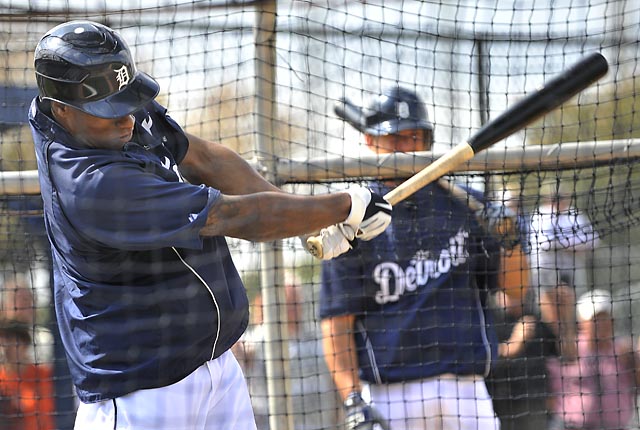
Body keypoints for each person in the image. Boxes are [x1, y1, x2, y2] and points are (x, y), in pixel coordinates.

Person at [28, 20, 392, 429]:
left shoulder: (111, 110)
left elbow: (205, 159)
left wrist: (305, 221)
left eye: (128, 100)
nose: (127, 118)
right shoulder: (92, 185)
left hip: (215, 366)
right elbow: (233, 217)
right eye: (108, 111)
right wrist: (344, 205)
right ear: (60, 108)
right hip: (141, 393)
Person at [320, 86, 502, 430]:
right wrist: (352, 400)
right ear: (371, 143)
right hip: (390, 393)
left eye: (413, 137)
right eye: (394, 139)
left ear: (427, 142)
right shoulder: (352, 220)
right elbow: (336, 323)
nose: (405, 147)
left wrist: (511, 240)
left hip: (465, 388)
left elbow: (516, 292)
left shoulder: (466, 207)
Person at [234, 283, 342, 429]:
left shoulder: (315, 336)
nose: (295, 306)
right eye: (290, 301)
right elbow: (241, 352)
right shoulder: (261, 338)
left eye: (297, 299)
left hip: (319, 424)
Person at [546, 288, 640, 430]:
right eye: (595, 319)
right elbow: (566, 345)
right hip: (573, 426)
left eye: (605, 318)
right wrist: (564, 314)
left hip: (616, 426)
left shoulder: (623, 351)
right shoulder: (573, 346)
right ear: (582, 322)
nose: (601, 324)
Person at [486, 288, 559, 430]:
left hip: (533, 405)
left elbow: (565, 355)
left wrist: (558, 315)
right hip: (498, 405)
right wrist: (513, 345)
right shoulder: (489, 319)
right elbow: (480, 356)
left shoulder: (534, 320)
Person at [528, 193, 599, 298]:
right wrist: (573, 245)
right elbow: (545, 244)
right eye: (554, 199)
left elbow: (594, 240)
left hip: (571, 269)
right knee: (547, 302)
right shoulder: (540, 214)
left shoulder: (575, 214)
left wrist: (564, 245)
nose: (558, 202)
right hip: (546, 269)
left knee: (575, 300)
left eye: (560, 198)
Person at [0, 319, 55, 430]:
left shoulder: (43, 375)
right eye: (3, 342)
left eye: (11, 341)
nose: (6, 347)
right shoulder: (2, 378)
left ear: (25, 345)